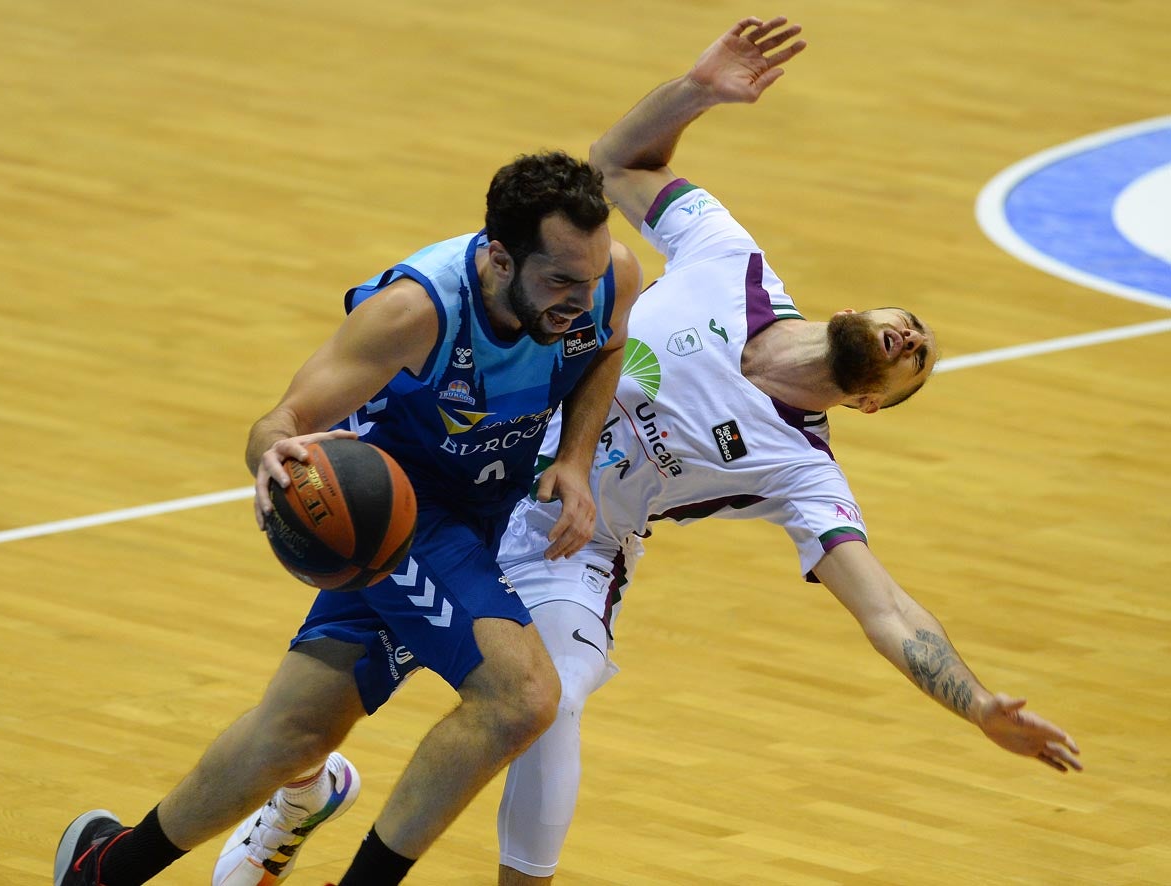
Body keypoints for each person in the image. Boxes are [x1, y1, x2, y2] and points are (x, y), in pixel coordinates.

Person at [219, 17, 1082, 885]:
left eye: (917, 363)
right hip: (463, 480)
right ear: (867, 307)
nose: (911, 339)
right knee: (306, 717)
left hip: (573, 549)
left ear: (867, 402)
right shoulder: (730, 261)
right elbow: (615, 163)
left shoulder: (802, 471)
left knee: (545, 703)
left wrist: (973, 705)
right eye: (911, 326)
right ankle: (302, 794)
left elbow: (886, 609)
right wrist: (699, 90)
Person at [53, 149, 642, 886]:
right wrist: (274, 455)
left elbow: (605, 347)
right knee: (521, 698)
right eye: (558, 281)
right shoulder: (415, 311)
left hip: (484, 514)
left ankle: (103, 871)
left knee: (293, 734)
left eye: (586, 281)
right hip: (401, 519)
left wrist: (576, 459)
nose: (578, 300)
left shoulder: (608, 277)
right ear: (497, 257)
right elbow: (281, 420)